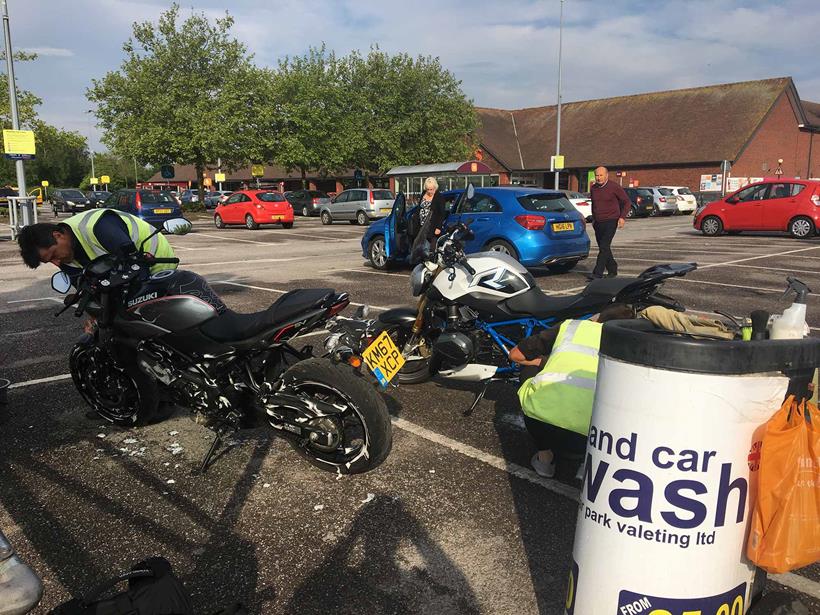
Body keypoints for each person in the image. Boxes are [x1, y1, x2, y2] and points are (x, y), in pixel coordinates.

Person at [510, 304, 635, 479]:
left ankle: (544, 458)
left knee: (529, 373)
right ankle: (590, 464)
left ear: (598, 317)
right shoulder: (633, 343)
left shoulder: (571, 326)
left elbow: (515, 355)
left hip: (544, 422)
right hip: (594, 434)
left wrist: (546, 363)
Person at [17, 208, 177, 279]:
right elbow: (84, 287)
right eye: (49, 261)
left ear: (58, 235)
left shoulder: (98, 227)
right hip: (127, 272)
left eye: (53, 255)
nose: (56, 262)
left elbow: (135, 266)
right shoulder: (64, 256)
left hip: (159, 265)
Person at [589, 166, 630, 278]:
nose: (598, 178)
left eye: (601, 175)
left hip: (611, 220)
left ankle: (597, 273)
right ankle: (612, 269)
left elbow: (626, 202)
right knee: (604, 247)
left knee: (604, 246)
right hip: (598, 222)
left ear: (606, 175)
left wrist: (622, 217)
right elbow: (594, 204)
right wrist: (593, 219)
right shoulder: (593, 188)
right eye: (597, 175)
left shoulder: (614, 187)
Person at [410, 177, 447, 264]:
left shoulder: (439, 197)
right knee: (420, 247)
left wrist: (438, 227)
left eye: (432, 189)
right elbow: (419, 208)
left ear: (435, 187)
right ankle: (420, 263)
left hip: (431, 226)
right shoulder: (423, 194)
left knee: (428, 248)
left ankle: (429, 263)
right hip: (420, 226)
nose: (430, 191)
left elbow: (442, 214)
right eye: (428, 189)